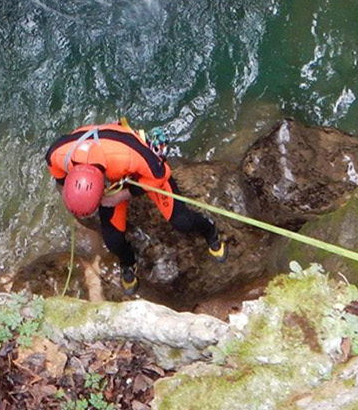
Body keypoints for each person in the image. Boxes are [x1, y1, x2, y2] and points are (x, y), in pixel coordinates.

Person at [45, 121, 224, 295]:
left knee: (182, 222)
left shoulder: (130, 156)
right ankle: (128, 263)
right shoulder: (58, 155)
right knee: (113, 240)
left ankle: (210, 230)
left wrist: (119, 197)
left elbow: (160, 175)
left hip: (133, 166)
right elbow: (59, 179)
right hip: (110, 175)